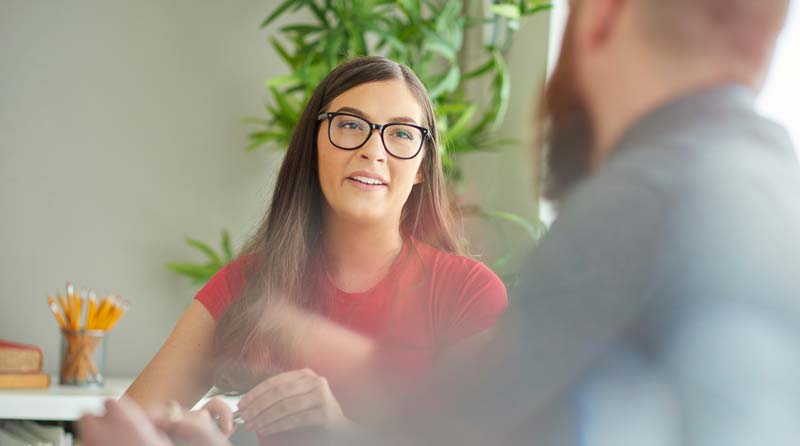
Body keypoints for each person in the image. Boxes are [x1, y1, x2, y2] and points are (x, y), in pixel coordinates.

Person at [121, 56, 508, 444]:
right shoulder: (245, 285)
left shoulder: (469, 293)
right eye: (351, 125)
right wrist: (183, 433)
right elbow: (120, 433)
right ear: (314, 144)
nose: (373, 150)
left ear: (423, 165)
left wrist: (343, 433)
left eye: (402, 134)